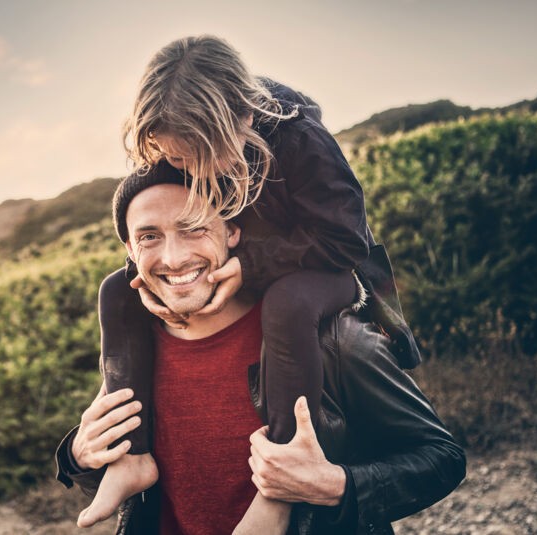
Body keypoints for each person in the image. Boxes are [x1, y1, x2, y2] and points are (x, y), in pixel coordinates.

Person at [83, 34, 422, 529]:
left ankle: (281, 476)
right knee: (117, 289)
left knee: (287, 304)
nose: (190, 171)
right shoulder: (176, 136)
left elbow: (345, 239)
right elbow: (158, 215)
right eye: (177, 160)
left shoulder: (300, 139)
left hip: (331, 268)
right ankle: (130, 458)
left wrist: (252, 265)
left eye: (201, 155)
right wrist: (148, 270)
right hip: (254, 257)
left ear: (241, 119)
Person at [55, 174, 465, 534]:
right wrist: (81, 456)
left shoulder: (330, 339)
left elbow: (441, 459)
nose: (174, 258)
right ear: (130, 248)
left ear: (232, 230)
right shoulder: (135, 346)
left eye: (194, 228)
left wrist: (334, 486)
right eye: (149, 236)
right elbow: (138, 485)